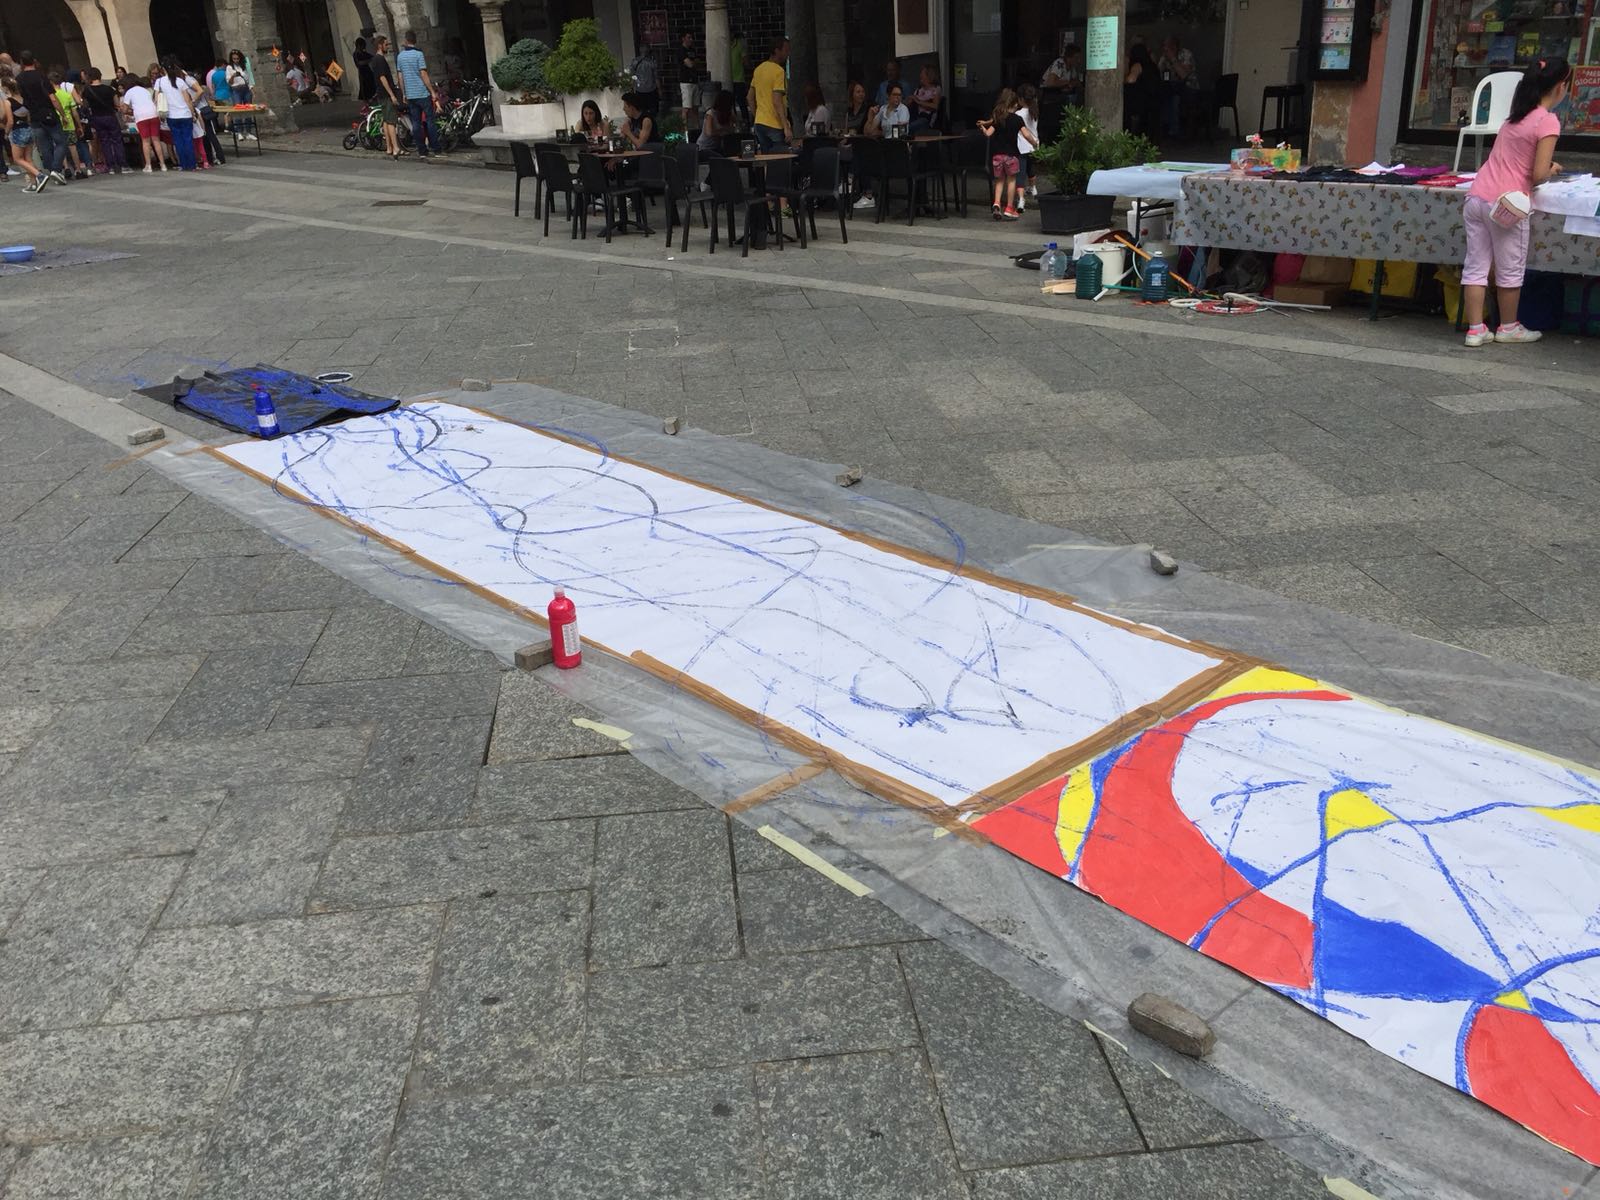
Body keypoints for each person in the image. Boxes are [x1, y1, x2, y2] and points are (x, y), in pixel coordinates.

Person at [1460, 57, 1571, 347]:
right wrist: (1552, 169)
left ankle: (1475, 329)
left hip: (1477, 196)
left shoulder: (1515, 117)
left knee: (1475, 267)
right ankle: (1508, 327)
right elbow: (1537, 174)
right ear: (1561, 87)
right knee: (1510, 268)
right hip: (1508, 204)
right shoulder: (1547, 121)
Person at [977, 87, 1034, 220]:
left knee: (999, 181)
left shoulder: (998, 118)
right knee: (1011, 181)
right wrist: (1034, 143)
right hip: (1011, 156)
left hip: (997, 156)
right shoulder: (1017, 119)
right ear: (1014, 104)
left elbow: (988, 134)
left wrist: (982, 128)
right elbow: (1026, 135)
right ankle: (1009, 207)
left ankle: (996, 204)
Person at [16, 52, 68, 185]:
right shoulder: (41, 76)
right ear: (34, 60)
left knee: (44, 146)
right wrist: (62, 114)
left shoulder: (19, 79)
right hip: (48, 113)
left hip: (34, 115)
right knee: (61, 142)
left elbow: (21, 99)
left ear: (21, 62)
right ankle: (56, 169)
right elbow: (53, 98)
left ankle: (51, 171)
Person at [396, 30, 443, 161]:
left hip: (411, 95)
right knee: (430, 121)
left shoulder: (400, 57)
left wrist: (403, 93)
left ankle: (422, 150)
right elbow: (423, 74)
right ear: (415, 40)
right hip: (422, 93)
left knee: (416, 123)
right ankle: (436, 148)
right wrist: (432, 91)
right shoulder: (419, 54)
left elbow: (400, 77)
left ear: (406, 40)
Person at [154, 57, 201, 171]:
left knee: (178, 141)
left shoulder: (159, 82)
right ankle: (192, 164)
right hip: (185, 114)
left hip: (171, 115)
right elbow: (187, 100)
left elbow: (156, 99)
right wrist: (192, 113)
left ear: (163, 69)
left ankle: (183, 165)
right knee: (188, 139)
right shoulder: (180, 81)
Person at [2, 73, 46, 191]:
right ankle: (33, 183)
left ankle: (39, 175)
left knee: (17, 159)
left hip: (17, 131)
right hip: (28, 128)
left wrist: (6, 133)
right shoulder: (23, 99)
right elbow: (28, 117)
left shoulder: (8, 102)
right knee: (28, 158)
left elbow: (10, 121)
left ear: (6, 88)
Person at [749, 37, 791, 152]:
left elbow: (750, 97)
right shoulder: (779, 71)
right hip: (775, 124)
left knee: (766, 157)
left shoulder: (758, 70)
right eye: (786, 50)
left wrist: (757, 115)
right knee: (780, 157)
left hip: (759, 123)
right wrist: (786, 126)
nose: (788, 54)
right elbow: (777, 100)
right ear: (777, 51)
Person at [81, 67, 126, 175]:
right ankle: (123, 165)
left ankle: (110, 166)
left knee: (105, 142)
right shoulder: (109, 89)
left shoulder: (87, 90)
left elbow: (85, 105)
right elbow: (116, 104)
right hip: (110, 116)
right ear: (100, 76)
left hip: (97, 117)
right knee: (117, 140)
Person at [1157, 36, 1197, 138]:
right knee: (1164, 95)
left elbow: (1183, 75)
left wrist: (1173, 59)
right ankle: (1163, 128)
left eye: (1167, 47)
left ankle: (1174, 130)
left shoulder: (1186, 54)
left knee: (1174, 97)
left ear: (1174, 47)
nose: (1165, 50)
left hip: (1189, 88)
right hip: (1171, 88)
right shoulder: (1164, 57)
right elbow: (1159, 75)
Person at [123, 69, 164, 171]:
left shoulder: (129, 92)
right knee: (156, 140)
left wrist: (130, 111)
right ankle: (163, 164)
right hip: (153, 114)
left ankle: (148, 165)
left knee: (145, 141)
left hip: (141, 117)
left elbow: (124, 109)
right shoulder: (144, 90)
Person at [370, 35, 402, 159]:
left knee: (386, 119)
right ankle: (395, 147)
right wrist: (392, 94)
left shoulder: (375, 60)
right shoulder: (380, 60)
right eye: (386, 44)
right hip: (386, 94)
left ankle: (389, 147)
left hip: (381, 93)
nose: (387, 46)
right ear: (380, 45)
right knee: (391, 121)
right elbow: (383, 78)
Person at [50, 71, 87, 178]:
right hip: (69, 123)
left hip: (57, 123)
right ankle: (78, 170)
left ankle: (66, 168)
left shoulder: (51, 96)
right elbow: (74, 112)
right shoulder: (67, 95)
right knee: (72, 146)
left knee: (60, 146)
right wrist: (79, 125)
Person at [1124, 43, 1160, 136]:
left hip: (1141, 104)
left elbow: (1131, 80)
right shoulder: (1153, 66)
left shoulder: (1138, 65)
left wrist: (1123, 79)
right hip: (1153, 103)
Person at [1015, 83, 1040, 210]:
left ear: (1021, 99)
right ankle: (1033, 188)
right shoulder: (1034, 112)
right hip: (1034, 146)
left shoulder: (1018, 114)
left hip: (1022, 147)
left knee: (1020, 173)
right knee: (1031, 169)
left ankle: (1021, 200)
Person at [698, 89, 736, 154]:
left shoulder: (728, 114)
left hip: (719, 146)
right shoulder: (710, 114)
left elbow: (733, 128)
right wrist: (722, 132)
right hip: (706, 147)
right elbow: (709, 133)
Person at [909, 62, 940, 133]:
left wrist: (919, 102)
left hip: (926, 118)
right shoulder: (918, 90)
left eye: (922, 74)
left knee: (915, 125)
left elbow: (935, 106)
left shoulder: (935, 89)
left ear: (929, 76)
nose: (920, 76)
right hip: (915, 117)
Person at [629, 45, 660, 117]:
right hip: (651, 90)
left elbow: (633, 76)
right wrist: (659, 89)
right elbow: (656, 77)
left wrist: (631, 87)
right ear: (648, 51)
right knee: (653, 110)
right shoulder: (652, 62)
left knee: (641, 110)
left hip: (639, 89)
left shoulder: (634, 61)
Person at [678, 31, 700, 123]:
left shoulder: (692, 50)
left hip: (694, 80)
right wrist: (693, 62)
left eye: (691, 38)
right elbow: (690, 64)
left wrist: (693, 62)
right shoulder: (681, 50)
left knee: (695, 107)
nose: (691, 40)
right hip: (686, 81)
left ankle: (696, 127)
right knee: (686, 107)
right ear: (683, 39)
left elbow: (698, 62)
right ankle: (685, 128)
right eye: (689, 37)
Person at [730, 34, 748, 123]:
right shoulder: (724, 44)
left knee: (741, 102)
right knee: (730, 102)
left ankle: (746, 120)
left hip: (739, 78)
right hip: (728, 79)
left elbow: (745, 60)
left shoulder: (739, 44)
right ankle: (734, 122)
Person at [353, 36, 374, 104]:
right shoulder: (356, 54)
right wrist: (368, 61)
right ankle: (367, 103)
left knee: (371, 86)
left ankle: (371, 100)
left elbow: (372, 57)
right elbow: (359, 63)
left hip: (368, 72)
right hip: (362, 73)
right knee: (364, 89)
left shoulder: (364, 53)